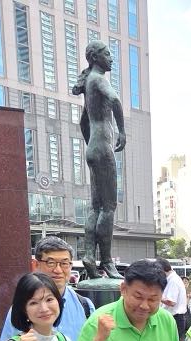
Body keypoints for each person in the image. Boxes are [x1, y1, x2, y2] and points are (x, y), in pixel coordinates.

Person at [74, 41, 126, 279]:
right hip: (102, 147)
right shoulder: (99, 80)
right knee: (109, 207)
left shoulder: (89, 84)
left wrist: (91, 145)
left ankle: (88, 255)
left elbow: (83, 123)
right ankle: (105, 260)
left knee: (96, 207)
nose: (111, 58)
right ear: (95, 57)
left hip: (94, 146)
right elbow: (116, 101)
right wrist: (122, 131)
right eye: (107, 54)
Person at [158, 258, 189, 341]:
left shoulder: (173, 281)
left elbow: (171, 301)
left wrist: (156, 297)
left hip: (175, 318)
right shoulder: (173, 279)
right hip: (176, 317)